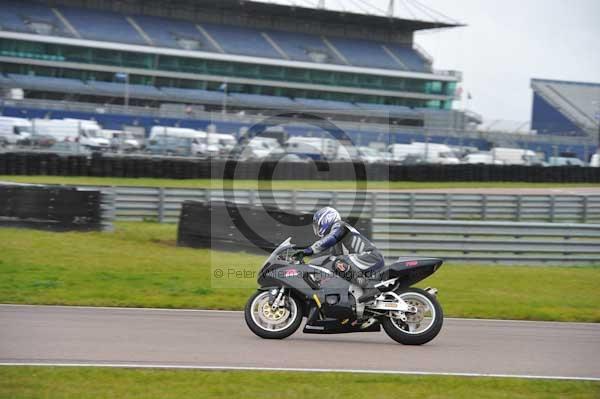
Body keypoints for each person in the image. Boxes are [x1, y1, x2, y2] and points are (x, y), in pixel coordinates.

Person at [294, 207, 384, 287]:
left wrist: (308, 251)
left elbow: (330, 239)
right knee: (334, 264)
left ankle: (367, 287)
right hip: (363, 260)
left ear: (326, 219)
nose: (317, 227)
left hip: (370, 256)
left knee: (339, 262)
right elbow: (326, 259)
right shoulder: (336, 244)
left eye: (318, 224)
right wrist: (307, 264)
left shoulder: (340, 226)